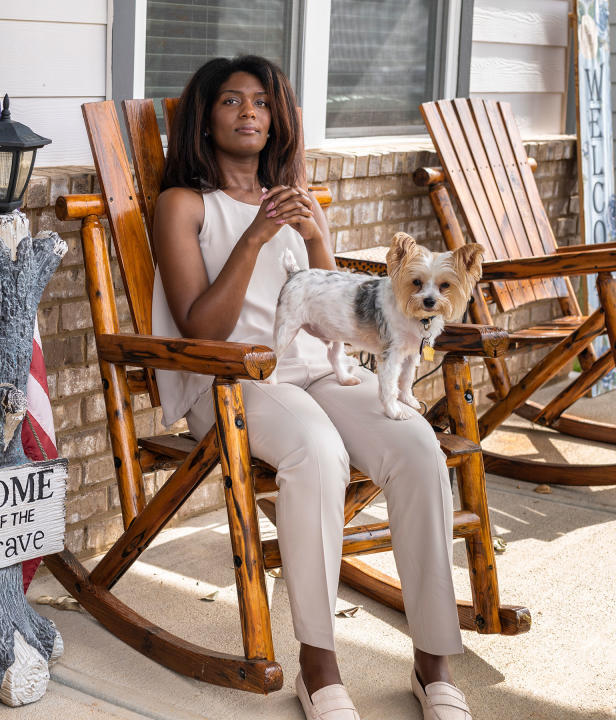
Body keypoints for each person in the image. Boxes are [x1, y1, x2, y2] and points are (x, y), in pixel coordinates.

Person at [151, 55, 472, 720]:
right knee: (318, 453)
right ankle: (319, 665)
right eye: (232, 102)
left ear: (276, 122)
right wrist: (259, 233)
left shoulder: (295, 198)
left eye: (262, 104)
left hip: (319, 368)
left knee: (416, 446)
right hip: (234, 380)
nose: (250, 113)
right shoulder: (185, 206)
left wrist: (315, 234)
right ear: (205, 121)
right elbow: (200, 326)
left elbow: (340, 307)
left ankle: (433, 659)